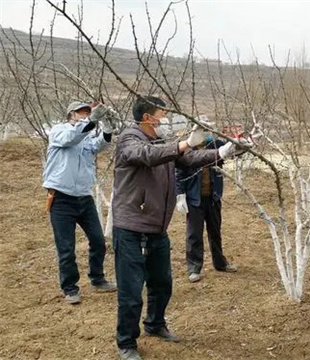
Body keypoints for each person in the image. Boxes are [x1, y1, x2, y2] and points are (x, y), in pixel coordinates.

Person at [111, 96, 239, 360]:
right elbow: (145, 156)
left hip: (157, 227)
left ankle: (155, 324)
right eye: (162, 113)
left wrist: (220, 152)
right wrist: (184, 143)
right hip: (132, 228)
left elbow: (189, 159)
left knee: (162, 283)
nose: (166, 118)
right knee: (131, 291)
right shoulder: (130, 139)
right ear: (148, 117)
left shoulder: (159, 141)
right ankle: (126, 342)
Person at [42, 101, 117, 305]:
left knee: (98, 241)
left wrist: (107, 129)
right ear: (71, 114)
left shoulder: (86, 135)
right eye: (82, 113)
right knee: (66, 248)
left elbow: (98, 145)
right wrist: (92, 122)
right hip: (61, 198)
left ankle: (97, 278)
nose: (85, 116)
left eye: (88, 113)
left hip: (84, 197)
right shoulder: (59, 131)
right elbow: (71, 138)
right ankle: (70, 288)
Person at [175, 122, 237, 283]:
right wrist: (180, 194)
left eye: (207, 130)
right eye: (202, 130)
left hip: (213, 196)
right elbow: (179, 172)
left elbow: (233, 151)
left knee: (215, 231)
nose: (206, 133)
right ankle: (194, 268)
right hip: (194, 198)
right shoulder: (187, 149)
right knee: (194, 234)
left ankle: (220, 263)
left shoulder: (215, 144)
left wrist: (242, 143)